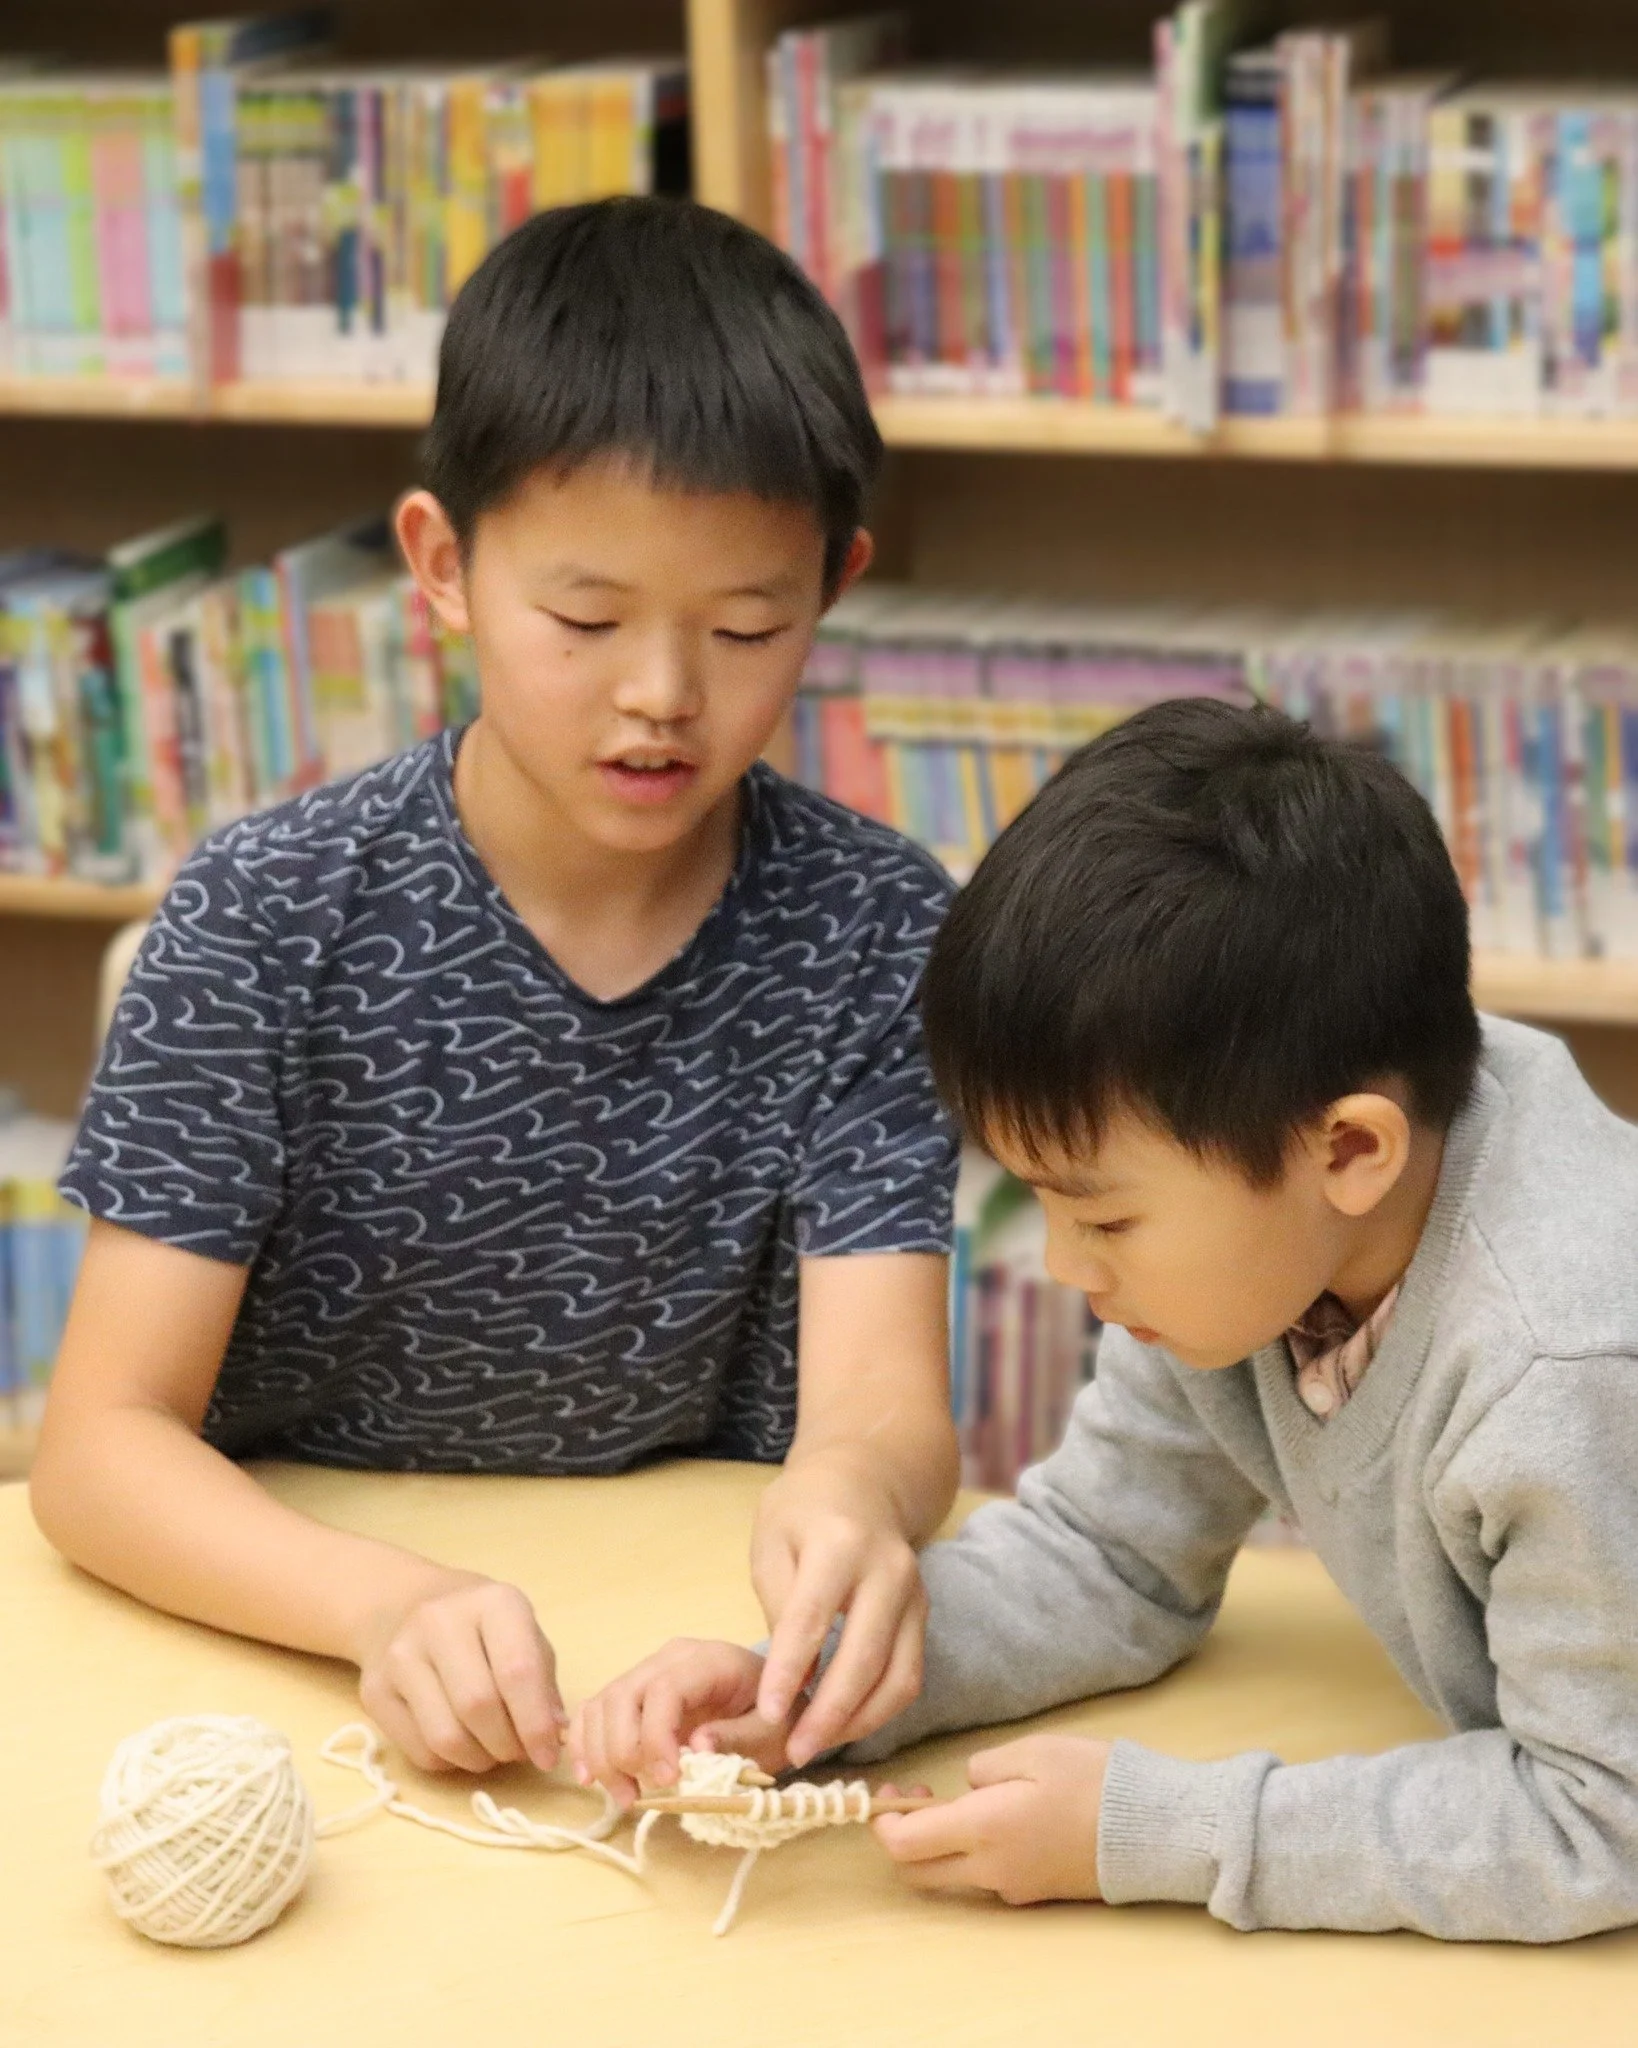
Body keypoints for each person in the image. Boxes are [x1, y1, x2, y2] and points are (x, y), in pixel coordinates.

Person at [30, 197, 960, 1788]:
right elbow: (98, 1449)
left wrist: (855, 1498)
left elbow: (882, 1407)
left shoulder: (874, 929)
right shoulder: (265, 914)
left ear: (834, 583)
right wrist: (379, 1603)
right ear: (442, 565)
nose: (661, 695)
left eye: (747, 627)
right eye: (585, 621)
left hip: (669, 1659)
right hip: (291, 1641)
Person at [573, 697, 1638, 1943]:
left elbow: (1601, 1818)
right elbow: (1111, 1557)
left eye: (1105, 1216)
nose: (1063, 1265)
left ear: (1352, 1150)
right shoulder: (1277, 1190)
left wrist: (1152, 1829)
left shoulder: (1562, 1363)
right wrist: (806, 1686)